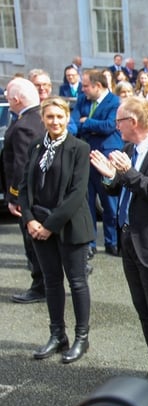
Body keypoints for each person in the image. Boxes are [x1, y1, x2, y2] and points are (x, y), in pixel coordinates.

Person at [88, 97, 148, 398]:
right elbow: (119, 187)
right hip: (130, 238)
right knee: (143, 308)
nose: (115, 127)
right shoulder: (130, 149)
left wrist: (129, 174)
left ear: (133, 122)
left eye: (119, 121)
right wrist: (110, 176)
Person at [19, 97, 94, 363]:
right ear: (43, 118)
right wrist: (29, 219)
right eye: (50, 117)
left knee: (77, 282)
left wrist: (50, 226)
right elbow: (25, 185)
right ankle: (57, 334)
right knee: (52, 282)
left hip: (69, 226)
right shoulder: (37, 146)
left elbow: (76, 193)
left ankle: (81, 338)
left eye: (60, 116)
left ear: (67, 117)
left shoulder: (79, 148)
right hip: (37, 226)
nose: (55, 121)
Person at [68, 69, 123, 258]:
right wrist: (86, 125)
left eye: (85, 86)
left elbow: (109, 126)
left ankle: (113, 241)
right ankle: (89, 243)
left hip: (106, 158)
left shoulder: (114, 102)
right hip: (85, 158)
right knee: (87, 204)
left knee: (110, 204)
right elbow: (74, 123)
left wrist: (88, 123)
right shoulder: (82, 100)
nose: (82, 90)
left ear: (97, 86)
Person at [4, 78, 46, 304]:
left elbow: (22, 166)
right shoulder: (35, 118)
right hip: (39, 195)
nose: (8, 102)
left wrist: (14, 197)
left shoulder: (24, 125)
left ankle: (40, 287)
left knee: (34, 245)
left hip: (30, 197)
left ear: (17, 99)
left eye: (9, 97)